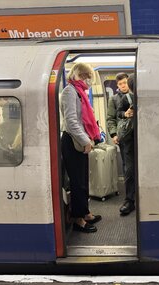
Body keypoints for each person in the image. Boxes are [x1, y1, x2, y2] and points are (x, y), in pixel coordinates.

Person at [60, 62, 102, 233]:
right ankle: (78, 219)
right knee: (77, 182)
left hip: (80, 140)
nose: (88, 80)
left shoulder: (80, 93)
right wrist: (85, 140)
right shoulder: (70, 91)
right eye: (86, 76)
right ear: (78, 75)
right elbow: (71, 121)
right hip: (72, 141)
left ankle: (85, 213)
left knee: (83, 180)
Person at [116, 74, 135, 216]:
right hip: (129, 139)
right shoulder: (126, 98)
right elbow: (118, 113)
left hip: (148, 139)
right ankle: (129, 200)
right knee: (129, 169)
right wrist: (126, 114)